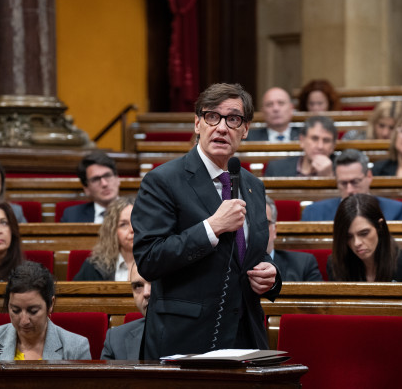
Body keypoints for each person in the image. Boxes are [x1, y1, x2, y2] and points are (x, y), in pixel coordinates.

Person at [132, 83, 281, 359]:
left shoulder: (253, 186)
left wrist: (270, 276)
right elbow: (149, 259)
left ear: (245, 129)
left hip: (245, 336)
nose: (222, 128)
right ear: (197, 123)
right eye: (213, 116)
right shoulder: (163, 181)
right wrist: (211, 227)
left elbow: (252, 255)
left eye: (233, 119)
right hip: (185, 338)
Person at [0, 261, 90, 360]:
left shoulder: (76, 348)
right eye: (16, 310)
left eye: (33, 311)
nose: (24, 321)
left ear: (50, 304)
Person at [328, 194, 402, 282]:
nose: (356, 243)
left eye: (364, 233)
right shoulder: (336, 263)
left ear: (379, 226)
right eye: (348, 237)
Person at [302, 149, 402, 221]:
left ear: (369, 176)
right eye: (343, 183)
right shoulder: (314, 213)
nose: (349, 190)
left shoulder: (394, 210)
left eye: (355, 182)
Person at [73, 196, 135, 281]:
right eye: (123, 224)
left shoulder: (157, 263)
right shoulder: (95, 266)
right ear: (112, 231)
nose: (132, 229)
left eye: (136, 222)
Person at [101, 261, 151, 359]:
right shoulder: (115, 339)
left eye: (154, 282)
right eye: (138, 286)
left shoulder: (189, 335)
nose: (146, 293)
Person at [265, 196, 322, 281]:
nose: (256, 230)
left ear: (275, 230)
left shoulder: (304, 265)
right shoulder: (237, 267)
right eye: (249, 224)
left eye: (264, 223)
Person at [264, 116, 337, 177]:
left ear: (333, 146)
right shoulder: (276, 168)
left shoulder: (343, 170)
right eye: (314, 139)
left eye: (326, 140)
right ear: (302, 140)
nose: (320, 146)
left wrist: (329, 177)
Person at [61, 151, 120, 223]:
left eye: (107, 176)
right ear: (86, 189)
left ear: (117, 178)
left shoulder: (136, 210)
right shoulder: (72, 216)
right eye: (96, 179)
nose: (104, 184)